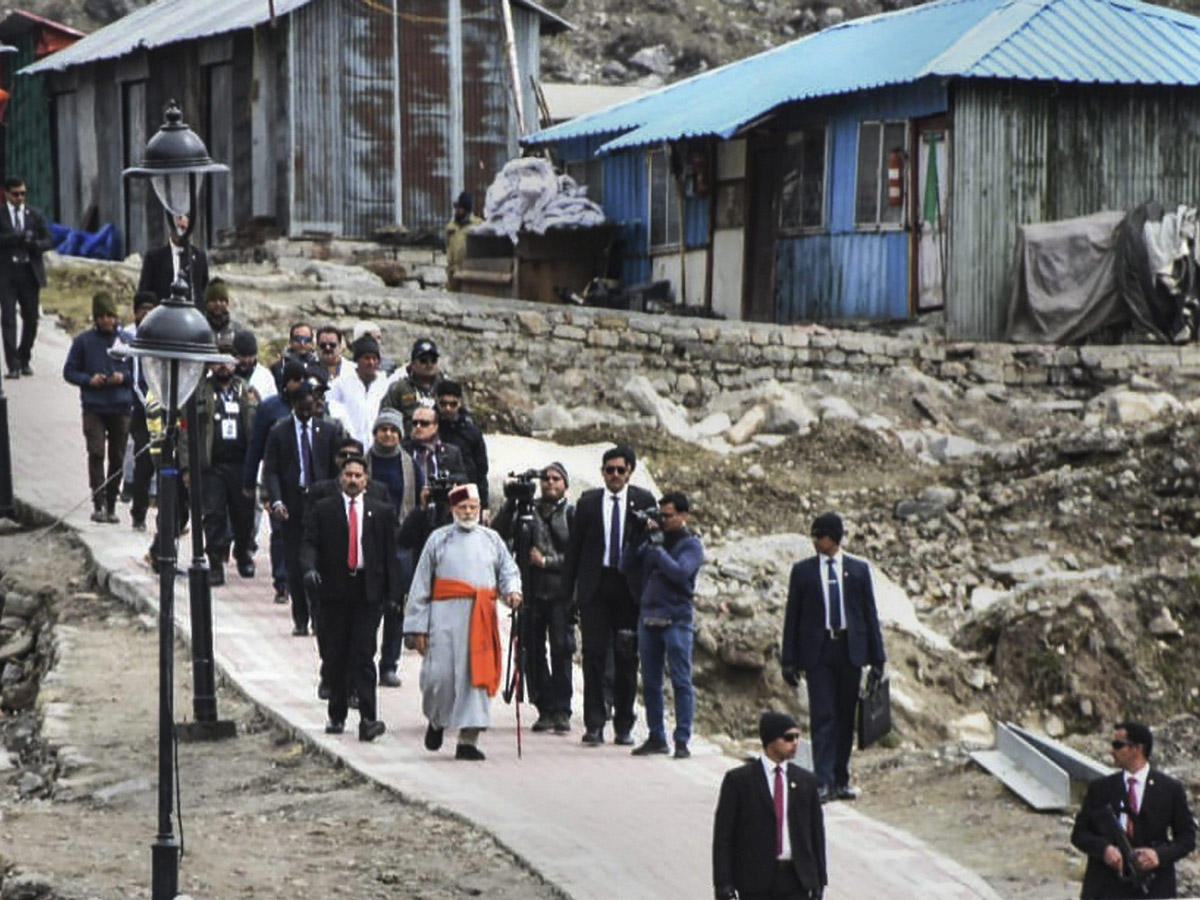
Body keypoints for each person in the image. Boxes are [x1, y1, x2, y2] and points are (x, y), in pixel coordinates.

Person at [403, 483, 521, 761]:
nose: (468, 513)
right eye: (463, 508)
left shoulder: (492, 539)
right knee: (439, 677)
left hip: (480, 617)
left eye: (473, 508)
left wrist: (513, 591)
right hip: (444, 617)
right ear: (453, 509)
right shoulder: (438, 539)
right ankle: (436, 720)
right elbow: (421, 584)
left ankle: (468, 739)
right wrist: (417, 626)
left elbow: (508, 570)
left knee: (475, 679)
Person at [780, 512, 886, 802]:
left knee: (844, 718)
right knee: (823, 715)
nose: (814, 542)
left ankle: (841, 778)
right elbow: (793, 617)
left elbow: (869, 616)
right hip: (818, 653)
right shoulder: (803, 572)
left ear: (833, 538)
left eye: (819, 536)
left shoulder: (859, 570)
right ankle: (822, 780)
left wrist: (878, 659)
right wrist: (788, 659)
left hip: (850, 652)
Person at [560, 445, 656, 746]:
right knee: (594, 657)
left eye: (620, 470)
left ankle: (624, 724)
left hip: (628, 590)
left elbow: (651, 549)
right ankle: (594, 723)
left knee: (627, 657)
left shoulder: (643, 501)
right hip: (595, 588)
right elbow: (573, 551)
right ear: (602, 472)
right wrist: (568, 595)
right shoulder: (588, 502)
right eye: (609, 469)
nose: (614, 475)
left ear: (629, 472)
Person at [301, 454, 400, 742]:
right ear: (340, 478)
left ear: (366, 480)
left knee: (363, 655)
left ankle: (369, 718)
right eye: (348, 475)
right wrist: (309, 569)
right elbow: (309, 544)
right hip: (334, 592)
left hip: (367, 593)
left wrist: (393, 595)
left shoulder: (380, 512)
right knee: (336, 655)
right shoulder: (324, 509)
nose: (353, 480)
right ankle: (337, 714)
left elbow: (389, 556)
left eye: (358, 476)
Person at [492, 462, 575, 734]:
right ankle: (544, 706)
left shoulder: (571, 513)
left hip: (561, 593)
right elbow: (498, 533)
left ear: (565, 484)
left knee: (562, 649)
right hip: (531, 592)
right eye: (546, 479)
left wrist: (547, 561)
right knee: (531, 649)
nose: (550, 483)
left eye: (556, 479)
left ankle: (563, 708)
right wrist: (510, 503)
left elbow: (577, 554)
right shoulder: (527, 511)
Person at [1070, 721, 1196, 899]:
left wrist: (1158, 855)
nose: (1112, 751)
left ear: (1138, 748)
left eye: (1118, 745)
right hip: (1106, 887)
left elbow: (1187, 838)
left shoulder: (1170, 789)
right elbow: (1079, 834)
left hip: (1152, 888)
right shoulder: (1100, 789)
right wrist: (1104, 849)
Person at [621, 490, 704, 759]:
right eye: (661, 515)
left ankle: (682, 739)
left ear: (683, 516)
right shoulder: (653, 539)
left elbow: (680, 573)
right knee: (651, 682)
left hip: (677, 619)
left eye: (668, 516)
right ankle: (656, 736)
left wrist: (657, 549)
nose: (663, 520)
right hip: (649, 616)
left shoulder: (691, 544)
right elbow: (625, 565)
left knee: (681, 680)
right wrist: (635, 538)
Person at [712, 711, 827, 900]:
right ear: (771, 740)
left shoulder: (806, 781)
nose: (795, 743)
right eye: (789, 738)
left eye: (797, 737)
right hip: (755, 881)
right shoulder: (740, 781)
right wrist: (723, 884)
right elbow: (724, 837)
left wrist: (819, 881)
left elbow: (816, 834)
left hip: (796, 879)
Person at [262, 384, 342, 636]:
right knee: (297, 565)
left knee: (321, 562)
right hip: (292, 506)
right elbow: (271, 469)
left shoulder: (328, 431)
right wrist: (276, 500)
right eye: (302, 406)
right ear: (294, 405)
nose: (306, 411)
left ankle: (320, 616)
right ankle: (300, 617)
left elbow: (334, 468)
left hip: (321, 504)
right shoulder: (279, 431)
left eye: (311, 406)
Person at [180, 342, 259, 587]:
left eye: (228, 360)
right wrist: (186, 467)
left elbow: (260, 426)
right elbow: (185, 432)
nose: (223, 366)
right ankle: (214, 561)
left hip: (241, 464)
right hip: (211, 466)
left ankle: (243, 552)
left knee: (244, 513)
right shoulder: (199, 392)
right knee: (213, 514)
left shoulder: (247, 391)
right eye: (218, 361)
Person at [62, 291, 134, 523]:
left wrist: (122, 378)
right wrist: (88, 380)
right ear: (95, 317)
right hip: (94, 406)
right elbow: (69, 371)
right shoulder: (83, 342)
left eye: (110, 315)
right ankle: (98, 501)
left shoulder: (126, 341)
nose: (106, 320)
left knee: (117, 455)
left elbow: (139, 373)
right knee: (96, 452)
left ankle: (112, 502)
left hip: (120, 407)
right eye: (101, 316)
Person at [243, 358, 308, 605]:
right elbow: (257, 445)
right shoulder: (270, 409)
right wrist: (249, 480)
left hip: (307, 482)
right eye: (295, 380)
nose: (300, 386)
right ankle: (282, 582)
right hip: (278, 480)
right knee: (281, 532)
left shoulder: (314, 406)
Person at [365, 408, 422, 688]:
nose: (388, 434)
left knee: (395, 606)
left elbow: (420, 505)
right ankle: (364, 661)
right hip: (370, 542)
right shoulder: (363, 463)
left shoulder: (410, 464)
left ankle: (389, 664)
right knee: (370, 605)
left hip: (401, 544)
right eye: (383, 429)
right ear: (375, 432)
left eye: (393, 430)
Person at [0, 177, 53, 378]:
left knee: (31, 318)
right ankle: (12, 364)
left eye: (23, 193)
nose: (20, 197)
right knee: (8, 319)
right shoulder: (2, 215)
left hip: (29, 272)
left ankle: (24, 358)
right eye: (15, 194)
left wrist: (35, 244)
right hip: (7, 273)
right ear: (6, 194)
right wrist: (17, 236)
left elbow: (48, 240)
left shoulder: (34, 215)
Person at [125, 290, 159, 532]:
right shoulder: (136, 341)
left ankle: (172, 518)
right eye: (142, 309)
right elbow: (137, 382)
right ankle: (138, 513)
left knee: (170, 464)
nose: (147, 314)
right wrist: (150, 405)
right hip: (143, 414)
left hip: (165, 412)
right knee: (144, 463)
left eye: (151, 309)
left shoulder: (163, 339)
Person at [436, 379, 489, 510]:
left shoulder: (471, 431)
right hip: (436, 493)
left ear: (459, 403)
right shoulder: (429, 426)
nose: (448, 408)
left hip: (466, 494)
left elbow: (481, 471)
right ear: (437, 402)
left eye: (452, 404)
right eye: (443, 404)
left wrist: (484, 505)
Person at [328, 335, 389, 447]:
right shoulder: (341, 383)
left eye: (374, 358)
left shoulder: (385, 384)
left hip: (378, 447)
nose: (371, 362)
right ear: (357, 360)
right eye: (366, 358)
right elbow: (333, 410)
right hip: (350, 445)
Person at [137, 212, 209, 306]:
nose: (180, 233)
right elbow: (144, 292)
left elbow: (204, 291)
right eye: (177, 228)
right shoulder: (154, 258)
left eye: (183, 228)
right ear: (171, 228)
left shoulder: (199, 257)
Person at [382, 338, 447, 424]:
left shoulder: (446, 389)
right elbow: (385, 420)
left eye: (433, 360)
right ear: (413, 364)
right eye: (423, 360)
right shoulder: (399, 389)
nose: (429, 364)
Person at [403, 400, 467, 487]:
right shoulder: (403, 451)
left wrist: (437, 485)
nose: (418, 427)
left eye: (424, 423)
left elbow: (461, 479)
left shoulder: (452, 453)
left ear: (435, 426)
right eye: (415, 423)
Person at [445, 191, 482, 291]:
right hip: (453, 272)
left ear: (467, 209)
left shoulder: (477, 225)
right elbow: (448, 246)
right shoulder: (451, 226)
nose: (457, 210)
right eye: (456, 207)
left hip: (468, 271)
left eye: (460, 208)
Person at [269, 321, 318, 391]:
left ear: (311, 342)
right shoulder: (279, 366)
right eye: (298, 339)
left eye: (307, 340)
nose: (302, 343)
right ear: (291, 341)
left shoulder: (320, 364)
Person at [231, 329, 277, 403]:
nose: (246, 361)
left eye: (249, 357)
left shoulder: (265, 376)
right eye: (242, 356)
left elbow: (273, 404)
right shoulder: (225, 373)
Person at [202, 278, 240, 346]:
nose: (218, 304)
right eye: (213, 300)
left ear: (227, 303)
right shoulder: (200, 327)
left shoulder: (237, 329)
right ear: (207, 303)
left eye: (221, 300)